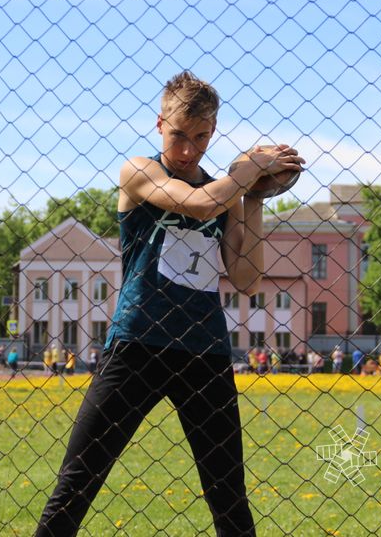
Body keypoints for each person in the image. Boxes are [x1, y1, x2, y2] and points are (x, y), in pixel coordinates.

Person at [36, 71, 303, 536]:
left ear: (212, 133)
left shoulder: (229, 193)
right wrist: (247, 171)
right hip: (139, 343)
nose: (187, 150)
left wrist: (255, 197)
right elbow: (197, 205)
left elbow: (245, 277)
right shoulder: (139, 171)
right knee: (78, 482)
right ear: (160, 124)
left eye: (200, 138)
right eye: (178, 134)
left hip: (205, 351)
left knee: (228, 495)